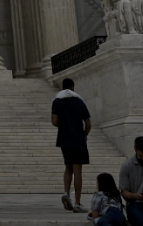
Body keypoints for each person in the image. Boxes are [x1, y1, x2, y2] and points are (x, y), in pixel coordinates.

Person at [54, 75, 92, 211]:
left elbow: (54, 121)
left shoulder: (57, 101)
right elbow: (88, 123)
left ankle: (66, 193)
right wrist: (84, 134)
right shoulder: (79, 102)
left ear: (63, 88)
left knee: (68, 167)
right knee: (78, 171)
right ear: (73, 88)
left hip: (64, 139)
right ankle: (77, 203)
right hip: (78, 140)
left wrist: (64, 124)